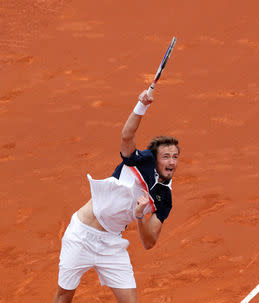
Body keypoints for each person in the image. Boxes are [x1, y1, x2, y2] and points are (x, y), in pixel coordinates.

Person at [53, 88, 180, 303]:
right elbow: (126, 136)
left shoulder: (164, 197)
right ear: (154, 158)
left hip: (111, 242)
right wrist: (142, 105)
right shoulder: (140, 161)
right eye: (166, 156)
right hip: (81, 234)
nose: (172, 162)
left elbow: (149, 242)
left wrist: (139, 216)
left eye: (175, 157)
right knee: (64, 295)